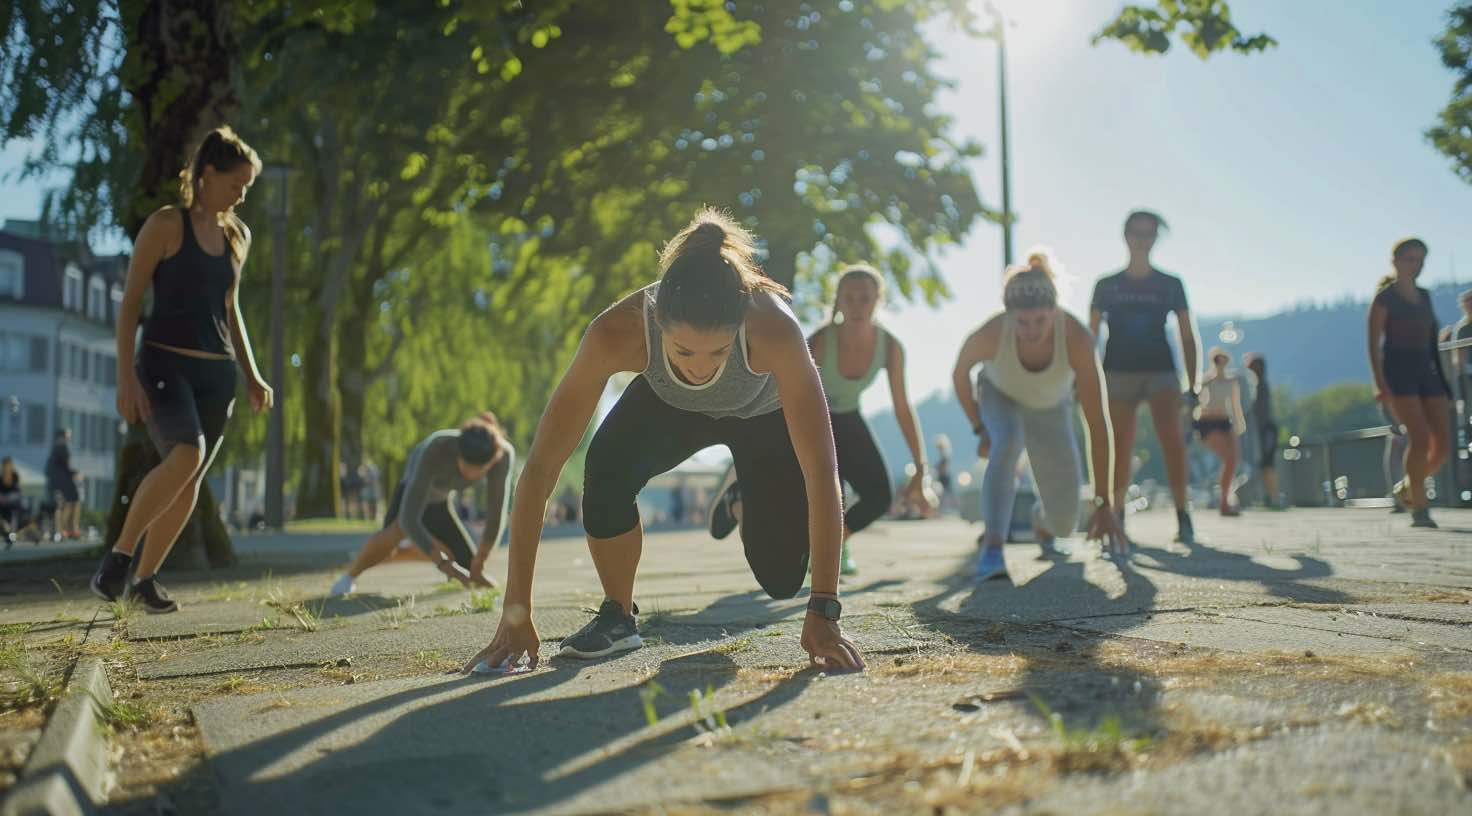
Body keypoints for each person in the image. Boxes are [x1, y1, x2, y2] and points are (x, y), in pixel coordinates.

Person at [462, 209, 863, 674]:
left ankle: (741, 502)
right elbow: (539, 472)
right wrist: (516, 613)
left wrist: (824, 610)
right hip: (672, 406)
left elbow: (822, 473)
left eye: (718, 351)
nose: (701, 367)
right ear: (655, 320)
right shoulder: (617, 330)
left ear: (740, 323)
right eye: (683, 351)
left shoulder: (775, 328)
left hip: (762, 415)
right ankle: (618, 615)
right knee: (606, 465)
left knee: (781, 580)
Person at [89, 126, 274, 613]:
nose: (242, 194)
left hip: (218, 378)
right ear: (208, 174)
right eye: (238, 183)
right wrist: (125, 377)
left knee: (189, 480)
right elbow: (130, 305)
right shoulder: (166, 225)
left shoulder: (238, 235)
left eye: (247, 187)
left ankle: (145, 580)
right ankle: (118, 561)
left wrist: (253, 375)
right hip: (164, 364)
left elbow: (231, 310)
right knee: (186, 456)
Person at [706, 264, 926, 576]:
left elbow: (902, 407)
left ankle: (832, 546)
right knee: (803, 490)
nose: (857, 305)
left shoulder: (890, 347)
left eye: (865, 298)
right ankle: (740, 497)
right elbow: (789, 387)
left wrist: (920, 466)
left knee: (879, 495)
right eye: (849, 297)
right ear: (838, 300)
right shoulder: (821, 341)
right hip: (800, 410)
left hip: (847, 415)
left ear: (879, 300)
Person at [953, 251, 1126, 581]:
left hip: (1050, 407)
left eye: (1040, 321)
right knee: (1007, 443)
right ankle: (992, 548)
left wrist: (1105, 502)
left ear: (1054, 311)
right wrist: (979, 426)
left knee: (1066, 523)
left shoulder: (1076, 338)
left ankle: (1042, 526)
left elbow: (1097, 424)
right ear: (1008, 315)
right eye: (1022, 322)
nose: (1031, 331)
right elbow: (959, 373)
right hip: (999, 395)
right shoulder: (991, 333)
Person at [1089, 210, 1200, 545]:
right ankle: (1117, 514)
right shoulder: (1106, 285)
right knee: (1119, 443)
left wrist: (1192, 385)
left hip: (1161, 370)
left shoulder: (1170, 284)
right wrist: (1085, 381)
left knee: (1172, 440)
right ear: (1125, 236)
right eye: (1136, 232)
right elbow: (1089, 337)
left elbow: (1186, 334)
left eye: (1148, 233)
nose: (1141, 238)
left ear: (1155, 238)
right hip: (1117, 370)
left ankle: (1183, 514)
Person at [331, 414, 512, 596]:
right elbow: (408, 519)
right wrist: (444, 565)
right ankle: (349, 577)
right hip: (414, 491)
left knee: (470, 568)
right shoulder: (437, 448)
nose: (470, 474)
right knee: (395, 534)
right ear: (458, 450)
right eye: (466, 466)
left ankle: (411, 551)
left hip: (440, 500)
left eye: (478, 470)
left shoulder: (502, 457)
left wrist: (480, 562)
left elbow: (495, 517)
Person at [1368, 237, 1449, 528]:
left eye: (1421, 259)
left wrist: (1442, 380)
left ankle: (1407, 488)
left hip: (1427, 373)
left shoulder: (1425, 296)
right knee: (1420, 438)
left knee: (1442, 446)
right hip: (1397, 373)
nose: (1416, 265)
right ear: (1396, 261)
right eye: (1410, 259)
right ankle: (1420, 510)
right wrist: (1380, 384)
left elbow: (1432, 342)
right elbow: (1374, 344)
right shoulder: (1384, 298)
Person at [1196, 348, 1247, 516]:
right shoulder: (1205, 381)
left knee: (1233, 460)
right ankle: (1224, 502)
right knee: (1228, 458)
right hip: (1208, 421)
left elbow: (1235, 404)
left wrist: (1240, 423)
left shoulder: (1231, 381)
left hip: (1225, 422)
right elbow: (1196, 401)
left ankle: (1226, 499)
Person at [1243, 354, 1280, 508]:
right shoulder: (1259, 385)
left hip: (1266, 431)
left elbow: (1260, 413)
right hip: (1262, 431)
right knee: (1264, 465)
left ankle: (1274, 498)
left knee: (1267, 465)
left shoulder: (1260, 386)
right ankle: (1270, 497)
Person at [44, 430, 80, 539]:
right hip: (63, 482)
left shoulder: (54, 448)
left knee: (59, 506)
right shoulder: (62, 447)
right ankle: (69, 529)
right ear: (63, 436)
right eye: (68, 436)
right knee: (72, 502)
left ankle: (61, 530)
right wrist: (75, 473)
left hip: (55, 482)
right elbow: (66, 465)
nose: (69, 438)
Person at [934, 434, 954, 514]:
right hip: (943, 476)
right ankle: (945, 509)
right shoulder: (945, 454)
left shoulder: (945, 454)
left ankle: (945, 510)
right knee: (945, 493)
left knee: (944, 493)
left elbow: (943, 467)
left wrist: (937, 469)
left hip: (944, 476)